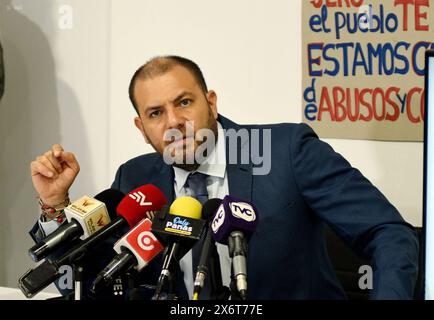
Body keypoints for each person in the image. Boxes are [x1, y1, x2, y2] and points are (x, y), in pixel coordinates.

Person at [29, 56, 419, 300]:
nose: (174, 123)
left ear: (211, 103)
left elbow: (388, 232)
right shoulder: (136, 179)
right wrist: (56, 206)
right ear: (141, 127)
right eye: (155, 113)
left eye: (184, 102)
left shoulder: (285, 150)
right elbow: (90, 285)